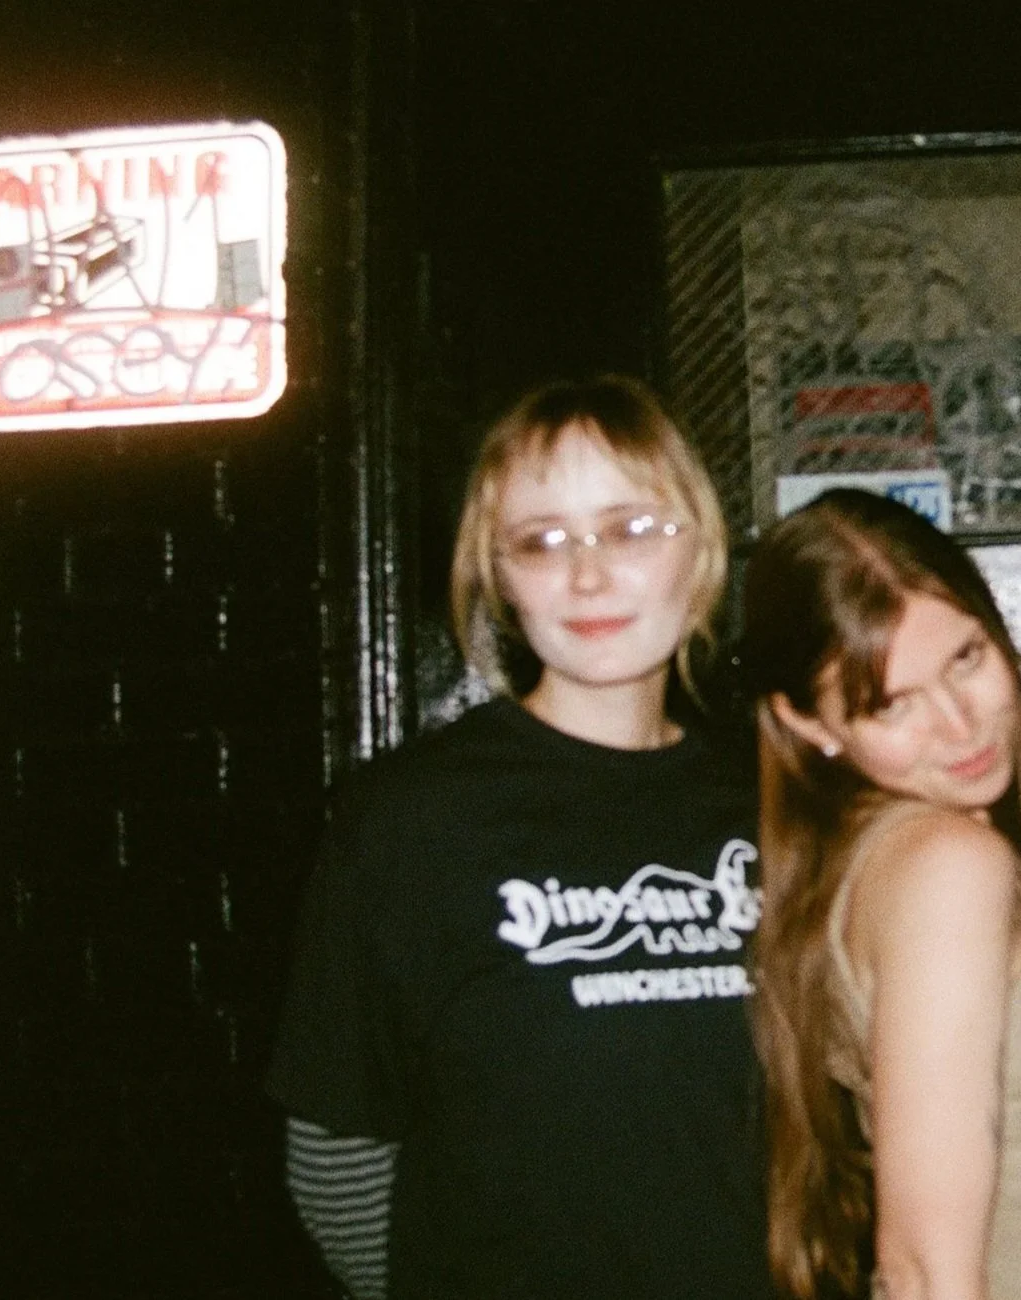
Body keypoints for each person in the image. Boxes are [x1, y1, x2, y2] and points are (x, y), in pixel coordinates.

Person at [265, 376, 771, 1300]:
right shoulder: (408, 821)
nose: (587, 575)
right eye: (541, 542)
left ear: (697, 547)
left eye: (629, 528)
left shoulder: (777, 801)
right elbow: (337, 1152)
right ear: (496, 576)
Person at [741, 488, 1021, 1300]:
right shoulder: (946, 863)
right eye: (891, 704)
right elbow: (921, 1272)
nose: (958, 724)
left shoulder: (898, 856)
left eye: (965, 659)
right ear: (809, 726)